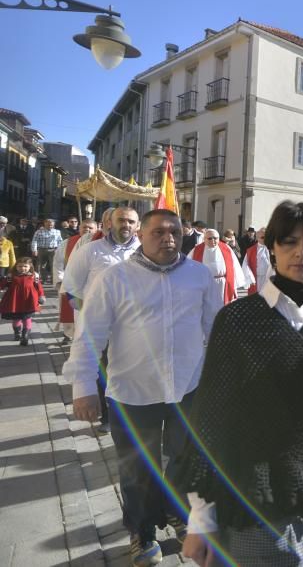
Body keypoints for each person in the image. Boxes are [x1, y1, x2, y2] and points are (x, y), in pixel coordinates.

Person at [180, 201, 303, 566]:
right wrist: (201, 519)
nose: (302, 253)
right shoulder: (237, 320)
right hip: (263, 493)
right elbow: (212, 420)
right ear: (270, 246)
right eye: (289, 242)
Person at [63, 209, 221, 567]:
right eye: (159, 232)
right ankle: (142, 529)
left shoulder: (199, 276)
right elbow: (90, 335)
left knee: (185, 462)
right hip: (133, 391)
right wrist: (83, 385)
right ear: (142, 235)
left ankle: (178, 513)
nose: (168, 238)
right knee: (138, 467)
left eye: (175, 232)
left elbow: (216, 327)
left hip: (188, 388)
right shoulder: (114, 278)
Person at [62, 206, 141, 435]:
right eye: (121, 221)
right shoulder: (90, 251)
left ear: (137, 226)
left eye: (130, 222)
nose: (125, 225)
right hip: (101, 325)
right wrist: (90, 312)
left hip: (134, 325)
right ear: (108, 224)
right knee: (103, 370)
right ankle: (107, 415)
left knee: (129, 370)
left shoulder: (143, 251)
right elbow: (71, 287)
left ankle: (131, 413)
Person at [54, 218, 98, 342]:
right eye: (84, 227)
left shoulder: (101, 244)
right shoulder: (67, 243)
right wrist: (59, 279)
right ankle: (69, 334)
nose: (87, 230)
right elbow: (58, 262)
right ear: (79, 228)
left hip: (91, 286)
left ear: (96, 229)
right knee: (71, 311)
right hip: (71, 283)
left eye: (90, 228)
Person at [190, 229, 247, 305]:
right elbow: (189, 266)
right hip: (205, 284)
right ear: (204, 239)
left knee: (222, 307)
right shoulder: (196, 250)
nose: (213, 240)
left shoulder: (226, 248)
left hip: (222, 285)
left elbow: (234, 265)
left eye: (215, 238)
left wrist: (236, 282)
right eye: (210, 238)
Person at [0, 257, 45, 346]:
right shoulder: (11, 276)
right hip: (14, 302)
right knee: (16, 319)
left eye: (25, 266)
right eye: (20, 266)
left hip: (29, 301)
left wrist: (41, 296)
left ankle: (25, 336)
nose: (22, 268)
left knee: (27, 318)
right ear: (16, 267)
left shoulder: (34, 276)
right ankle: (17, 333)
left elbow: (39, 287)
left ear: (30, 266)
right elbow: (2, 285)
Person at [241, 227, 273, 295]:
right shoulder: (251, 250)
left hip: (270, 279)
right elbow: (245, 265)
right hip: (257, 279)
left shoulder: (274, 248)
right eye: (263, 237)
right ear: (257, 237)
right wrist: (250, 278)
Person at [31, 218, 62, 283]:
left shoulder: (57, 231)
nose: (50, 226)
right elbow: (35, 241)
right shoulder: (39, 231)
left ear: (53, 225)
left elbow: (60, 241)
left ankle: (54, 280)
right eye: (48, 224)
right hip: (42, 249)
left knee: (53, 265)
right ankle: (42, 279)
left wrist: (59, 250)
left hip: (53, 250)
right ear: (44, 224)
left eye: (51, 225)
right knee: (41, 265)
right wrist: (34, 249)